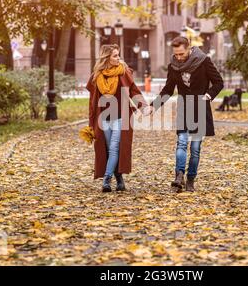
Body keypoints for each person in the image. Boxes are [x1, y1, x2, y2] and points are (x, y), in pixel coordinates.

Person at [150, 37, 224, 192]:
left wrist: (208, 96)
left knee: (195, 148)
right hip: (184, 106)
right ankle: (179, 176)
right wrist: (154, 106)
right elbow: (168, 89)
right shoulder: (173, 66)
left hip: (200, 107)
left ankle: (190, 179)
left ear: (189, 49)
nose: (178, 57)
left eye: (181, 54)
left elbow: (218, 82)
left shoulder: (203, 61)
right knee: (182, 143)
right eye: (176, 54)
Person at [86, 44, 153, 193]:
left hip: (120, 117)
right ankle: (119, 178)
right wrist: (91, 123)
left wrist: (144, 107)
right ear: (106, 58)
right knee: (109, 149)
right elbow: (91, 102)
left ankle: (106, 179)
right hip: (102, 118)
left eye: (118, 55)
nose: (118, 58)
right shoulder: (96, 76)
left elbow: (134, 91)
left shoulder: (123, 72)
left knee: (115, 147)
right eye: (115, 56)